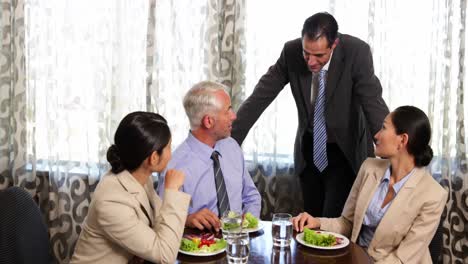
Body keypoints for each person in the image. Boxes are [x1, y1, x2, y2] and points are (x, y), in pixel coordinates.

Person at [231, 12, 389, 217]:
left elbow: (372, 100)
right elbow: (261, 95)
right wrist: (230, 141)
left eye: (319, 56)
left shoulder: (356, 52)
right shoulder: (291, 52)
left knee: (332, 220)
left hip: (344, 150)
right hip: (311, 150)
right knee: (311, 219)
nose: (311, 62)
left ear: (334, 44)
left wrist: (392, 147)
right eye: (307, 53)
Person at [292, 106, 447, 263]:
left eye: (384, 128)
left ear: (402, 140)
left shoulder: (433, 195)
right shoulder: (369, 168)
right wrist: (317, 222)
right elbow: (347, 223)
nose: (376, 135)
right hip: (356, 258)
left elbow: (403, 259)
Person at [71, 112, 191, 264]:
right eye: (169, 147)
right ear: (153, 158)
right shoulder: (111, 201)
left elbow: (158, 222)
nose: (171, 154)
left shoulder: (138, 176)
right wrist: (172, 191)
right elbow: (165, 255)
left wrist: (187, 220)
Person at [158, 81, 261, 231]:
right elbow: (163, 220)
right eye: (228, 111)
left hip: (239, 243)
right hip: (202, 247)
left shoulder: (232, 147)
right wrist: (187, 220)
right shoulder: (174, 166)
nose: (234, 116)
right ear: (208, 121)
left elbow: (251, 196)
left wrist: (247, 224)